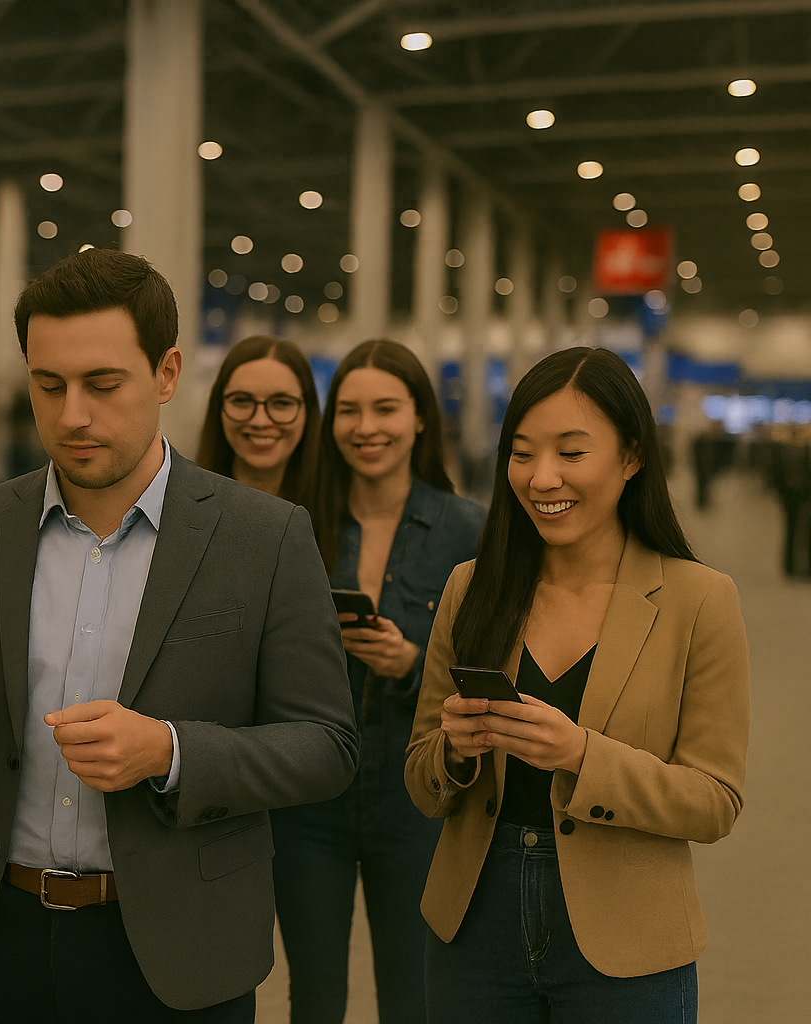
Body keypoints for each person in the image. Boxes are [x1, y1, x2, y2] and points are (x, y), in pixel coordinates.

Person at [0, 247, 359, 1023]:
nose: (72, 415)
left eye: (103, 385)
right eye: (48, 385)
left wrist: (170, 751)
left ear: (167, 375)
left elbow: (327, 745)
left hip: (175, 956)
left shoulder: (262, 537)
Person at [405, 347, 750, 1024]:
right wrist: (453, 752)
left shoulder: (698, 600)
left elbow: (715, 800)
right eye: (523, 452)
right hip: (474, 927)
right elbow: (422, 779)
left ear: (632, 457)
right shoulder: (472, 587)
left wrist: (582, 756)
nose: (541, 478)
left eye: (571, 452)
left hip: (628, 938)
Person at [268, 339, 484, 1024]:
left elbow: (495, 671)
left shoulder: (467, 529)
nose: (367, 428)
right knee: (315, 996)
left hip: (415, 802)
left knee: (414, 994)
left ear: (420, 418)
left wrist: (412, 665)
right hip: (308, 802)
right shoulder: (294, 523)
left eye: (386, 409)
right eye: (350, 411)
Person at [195, 335, 321, 506]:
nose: (260, 421)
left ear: (308, 410)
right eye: (241, 401)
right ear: (218, 407)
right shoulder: (181, 507)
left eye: (281, 403)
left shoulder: (337, 516)